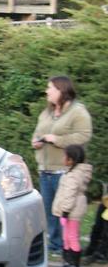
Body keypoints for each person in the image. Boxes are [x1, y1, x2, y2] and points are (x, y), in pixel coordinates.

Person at [31, 76, 92, 253]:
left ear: (61, 90)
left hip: (66, 171)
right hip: (45, 170)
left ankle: (69, 247)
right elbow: (37, 132)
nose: (46, 91)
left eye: (50, 88)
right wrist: (36, 141)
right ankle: (55, 245)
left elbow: (83, 136)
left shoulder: (78, 112)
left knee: (66, 211)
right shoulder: (47, 112)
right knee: (51, 211)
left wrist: (58, 140)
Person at [52, 144, 93, 267]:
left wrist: (65, 212)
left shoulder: (74, 175)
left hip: (71, 212)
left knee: (72, 237)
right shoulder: (73, 172)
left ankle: (74, 266)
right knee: (66, 238)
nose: (63, 159)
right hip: (70, 211)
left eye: (65, 156)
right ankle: (68, 264)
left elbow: (70, 195)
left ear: (71, 159)